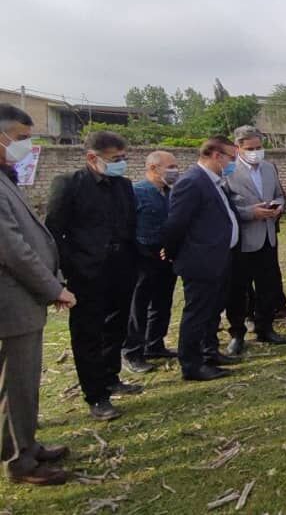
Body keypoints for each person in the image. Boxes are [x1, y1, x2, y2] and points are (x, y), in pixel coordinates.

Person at [0, 103, 74, 485]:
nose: (27, 147)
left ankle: (25, 445)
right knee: (17, 384)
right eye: (22, 138)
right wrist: (54, 288)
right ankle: (21, 461)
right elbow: (13, 249)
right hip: (12, 301)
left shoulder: (5, 177)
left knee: (22, 381)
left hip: (21, 298)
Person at [46, 131, 140, 421]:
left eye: (124, 158)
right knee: (88, 333)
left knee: (116, 326)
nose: (121, 163)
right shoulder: (70, 185)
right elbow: (54, 231)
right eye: (115, 159)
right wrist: (70, 267)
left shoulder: (123, 185)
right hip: (87, 272)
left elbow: (129, 223)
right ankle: (96, 395)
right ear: (92, 157)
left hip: (121, 268)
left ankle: (111, 377)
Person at [162, 136, 241, 382]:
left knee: (211, 312)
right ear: (216, 155)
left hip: (218, 257)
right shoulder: (193, 182)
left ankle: (209, 352)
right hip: (200, 260)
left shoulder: (215, 181)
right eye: (231, 157)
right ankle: (192, 364)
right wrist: (173, 253)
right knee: (197, 314)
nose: (233, 162)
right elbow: (176, 224)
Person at [223, 126, 286, 355]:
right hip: (242, 240)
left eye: (259, 148)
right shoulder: (228, 171)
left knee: (268, 286)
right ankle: (237, 334)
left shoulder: (269, 168)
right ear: (238, 148)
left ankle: (265, 327)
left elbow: (280, 195)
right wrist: (251, 213)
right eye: (250, 148)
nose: (255, 152)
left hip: (268, 237)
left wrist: (278, 206)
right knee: (238, 290)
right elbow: (225, 206)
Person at [122, 151, 180, 374]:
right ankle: (132, 351)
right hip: (144, 257)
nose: (175, 170)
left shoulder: (169, 193)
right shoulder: (137, 192)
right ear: (154, 168)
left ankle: (154, 344)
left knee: (162, 303)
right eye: (170, 166)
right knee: (138, 306)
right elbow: (129, 227)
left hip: (168, 257)